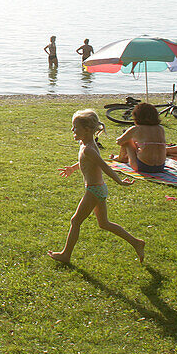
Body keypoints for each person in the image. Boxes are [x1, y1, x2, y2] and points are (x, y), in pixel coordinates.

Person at [48, 109, 144, 264]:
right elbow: (85, 162)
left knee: (75, 221)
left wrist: (119, 181)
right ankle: (136, 242)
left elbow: (105, 167)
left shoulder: (89, 149)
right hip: (98, 189)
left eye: (75, 127)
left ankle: (66, 255)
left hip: (93, 190)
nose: (72, 130)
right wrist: (73, 167)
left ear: (86, 130)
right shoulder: (85, 144)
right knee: (104, 223)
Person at [115, 102, 167, 173]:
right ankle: (123, 157)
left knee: (127, 141)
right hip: (160, 167)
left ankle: (120, 158)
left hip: (142, 166)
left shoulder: (136, 129)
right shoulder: (161, 129)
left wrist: (127, 135)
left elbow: (119, 142)